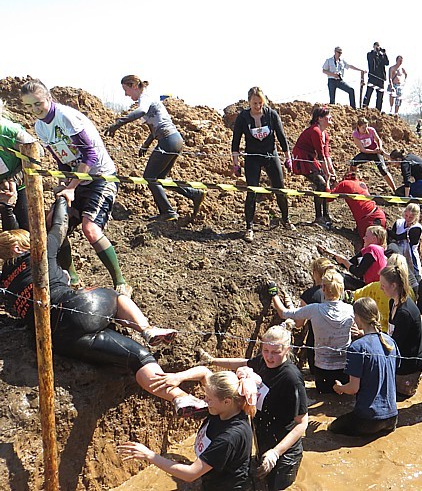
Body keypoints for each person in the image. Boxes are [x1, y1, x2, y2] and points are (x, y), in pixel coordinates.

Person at [0, 197, 207, 419]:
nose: (34, 242)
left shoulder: (4, 283)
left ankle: (180, 398)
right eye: (28, 241)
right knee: (116, 297)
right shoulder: (37, 253)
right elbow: (60, 227)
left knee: (138, 358)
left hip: (58, 340)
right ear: (17, 247)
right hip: (76, 309)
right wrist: (63, 198)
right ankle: (147, 329)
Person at [20, 79, 132, 296]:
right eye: (28, 106)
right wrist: (65, 183)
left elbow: (89, 155)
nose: (34, 109)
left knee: (90, 229)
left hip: (100, 177)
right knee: (53, 224)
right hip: (77, 178)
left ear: (49, 99)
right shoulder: (40, 127)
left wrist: (71, 187)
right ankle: (73, 279)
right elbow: (62, 160)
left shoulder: (66, 118)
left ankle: (121, 281)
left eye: (37, 103)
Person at [180, 325, 308, 490]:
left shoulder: (291, 379)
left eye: (276, 352)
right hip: (263, 441)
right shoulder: (263, 362)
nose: (269, 357)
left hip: (285, 451)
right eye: (265, 350)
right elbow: (243, 362)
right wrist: (213, 360)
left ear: (287, 349)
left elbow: (302, 423)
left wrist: (276, 452)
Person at [118, 369, 256, 491]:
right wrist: (178, 377)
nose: (204, 401)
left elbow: (190, 474)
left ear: (227, 401)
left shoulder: (229, 437)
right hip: (213, 481)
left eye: (209, 399)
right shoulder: (226, 409)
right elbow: (204, 372)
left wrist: (149, 455)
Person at [104, 75, 205, 222]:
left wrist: (118, 123)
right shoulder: (149, 98)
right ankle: (193, 194)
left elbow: (141, 112)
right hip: (174, 139)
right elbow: (155, 126)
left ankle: (168, 212)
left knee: (149, 177)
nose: (126, 94)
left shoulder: (144, 97)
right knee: (160, 179)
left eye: (126, 90)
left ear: (133, 86)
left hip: (168, 140)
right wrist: (146, 144)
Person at [269, 270, 354, 393]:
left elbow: (283, 313)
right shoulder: (350, 310)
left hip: (321, 368)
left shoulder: (314, 309)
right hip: (344, 368)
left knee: (323, 394)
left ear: (323, 288)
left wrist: (274, 294)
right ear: (341, 289)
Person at [231, 87, 295, 243]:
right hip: (252, 156)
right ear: (249, 102)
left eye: (260, 103)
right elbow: (236, 141)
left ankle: (286, 219)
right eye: (254, 103)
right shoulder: (243, 117)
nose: (258, 106)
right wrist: (235, 163)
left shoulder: (271, 115)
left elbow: (281, 137)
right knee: (252, 190)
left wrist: (288, 158)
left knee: (280, 187)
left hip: (270, 154)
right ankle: (249, 227)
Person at [331, 297, 399, 436]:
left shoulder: (357, 347)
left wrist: (340, 388)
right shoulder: (390, 341)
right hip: (392, 418)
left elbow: (353, 388)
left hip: (368, 420)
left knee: (331, 428)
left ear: (358, 317)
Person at [379, 264, 422, 398]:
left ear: (393, 285)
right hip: (399, 361)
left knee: (398, 399)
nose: (381, 287)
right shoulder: (393, 302)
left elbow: (395, 343)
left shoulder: (405, 312)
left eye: (383, 284)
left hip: (409, 368)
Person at [292, 106, 336, 226]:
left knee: (327, 182)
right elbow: (321, 155)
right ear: (320, 118)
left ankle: (326, 214)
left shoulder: (325, 134)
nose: (330, 118)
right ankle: (318, 216)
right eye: (328, 116)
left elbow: (326, 154)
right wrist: (326, 173)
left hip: (312, 159)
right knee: (321, 183)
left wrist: (331, 171)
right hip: (303, 159)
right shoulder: (315, 131)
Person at [0, 97, 39, 231]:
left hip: (19, 182)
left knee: (25, 229)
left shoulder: (11, 131)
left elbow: (37, 155)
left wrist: (14, 180)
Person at [318, 225, 388, 291]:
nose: (363, 238)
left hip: (371, 288)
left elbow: (358, 272)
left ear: (374, 239)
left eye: (366, 236)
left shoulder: (372, 249)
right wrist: (328, 252)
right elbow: (349, 263)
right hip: (371, 286)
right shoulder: (376, 251)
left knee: (338, 277)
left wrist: (345, 262)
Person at [329, 171, 386, 237]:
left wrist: (327, 183)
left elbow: (328, 198)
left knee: (368, 245)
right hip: (378, 214)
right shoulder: (361, 183)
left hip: (367, 220)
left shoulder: (344, 183)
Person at [349, 117, 397, 190]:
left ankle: (394, 189)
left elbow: (378, 140)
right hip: (366, 153)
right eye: (363, 128)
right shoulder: (355, 134)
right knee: (353, 162)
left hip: (376, 152)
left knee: (383, 169)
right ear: (358, 127)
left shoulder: (371, 130)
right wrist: (373, 151)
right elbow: (362, 149)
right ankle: (353, 183)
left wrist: (379, 147)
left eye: (366, 127)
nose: (365, 129)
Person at [388, 203, 422, 290]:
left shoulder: (417, 228)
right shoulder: (398, 223)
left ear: (416, 217)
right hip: (398, 255)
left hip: (411, 258)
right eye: (406, 215)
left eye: (411, 217)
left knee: (414, 281)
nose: (407, 219)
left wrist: (387, 231)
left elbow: (398, 237)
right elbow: (391, 238)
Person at [363, 42, 390, 110]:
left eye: (378, 46)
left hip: (380, 78)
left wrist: (384, 53)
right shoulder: (370, 54)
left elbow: (387, 63)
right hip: (372, 77)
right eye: (376, 46)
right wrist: (375, 51)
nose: (378, 47)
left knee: (380, 95)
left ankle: (378, 110)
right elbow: (370, 59)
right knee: (368, 93)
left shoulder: (381, 56)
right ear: (373, 46)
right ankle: (364, 107)